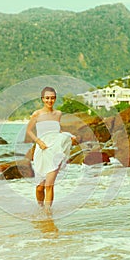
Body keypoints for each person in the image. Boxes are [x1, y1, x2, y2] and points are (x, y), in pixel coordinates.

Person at [26, 86, 76, 214]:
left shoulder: (58, 114)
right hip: (42, 150)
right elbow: (29, 131)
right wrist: (39, 142)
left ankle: (47, 213)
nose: (50, 100)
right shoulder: (37, 114)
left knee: (49, 184)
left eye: (52, 98)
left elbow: (57, 131)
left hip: (55, 150)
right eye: (47, 98)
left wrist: (69, 137)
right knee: (39, 187)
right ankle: (40, 208)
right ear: (42, 99)